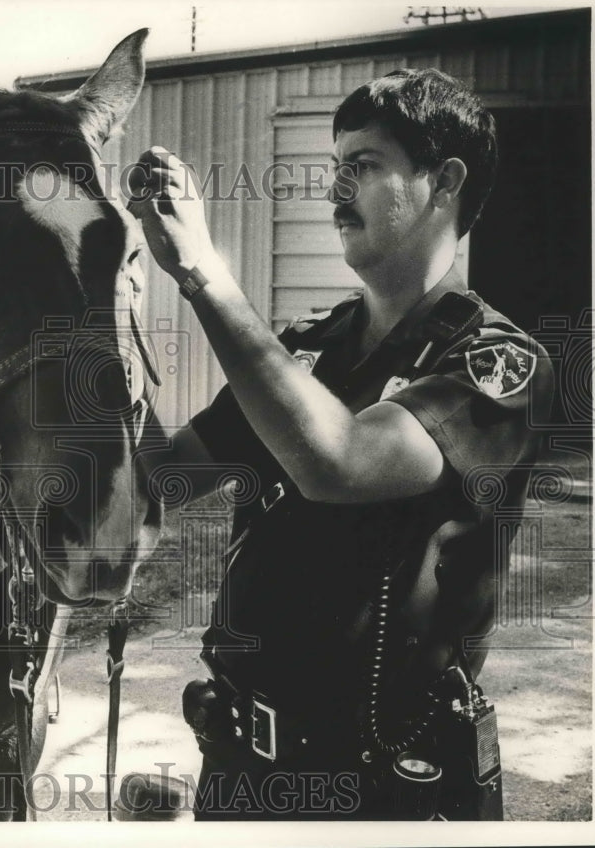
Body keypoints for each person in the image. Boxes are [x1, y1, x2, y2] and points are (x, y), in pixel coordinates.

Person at [128, 69, 554, 820]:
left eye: (363, 166)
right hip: (240, 770)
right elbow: (162, 478)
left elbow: (340, 462)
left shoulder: (497, 363)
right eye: (334, 168)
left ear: (443, 182)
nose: (334, 190)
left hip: (385, 788)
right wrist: (107, 323)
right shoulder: (305, 350)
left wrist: (204, 274)